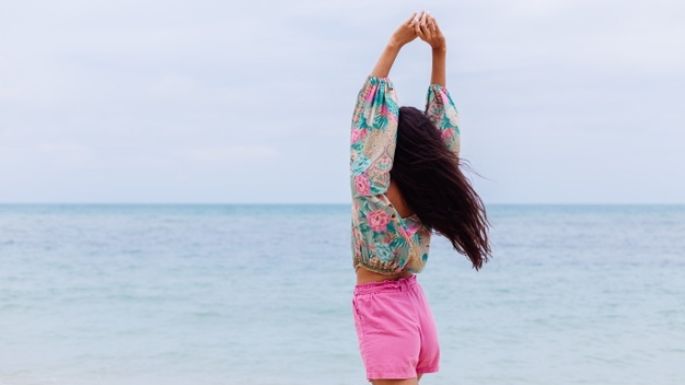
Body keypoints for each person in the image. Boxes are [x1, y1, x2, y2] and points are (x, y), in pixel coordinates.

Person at [349, 11, 492, 385]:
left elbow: (370, 123)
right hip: (413, 298)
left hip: (383, 302)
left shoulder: (374, 193)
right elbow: (445, 138)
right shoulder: (427, 193)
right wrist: (439, 53)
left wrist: (395, 44)